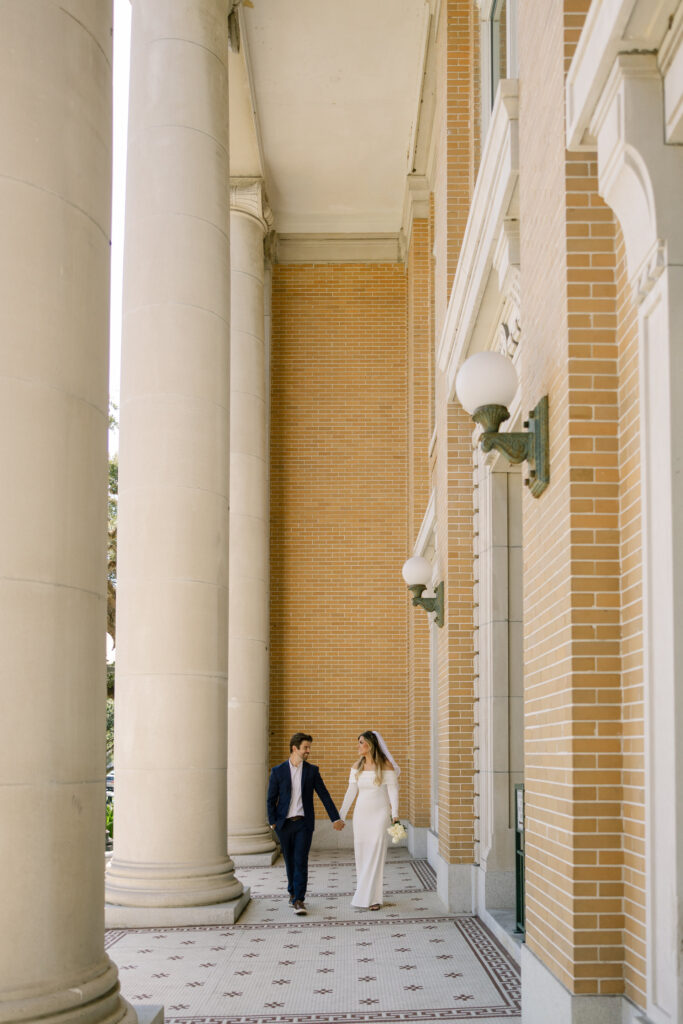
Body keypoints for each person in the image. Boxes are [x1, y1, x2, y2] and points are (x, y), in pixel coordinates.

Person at [267, 731, 345, 914]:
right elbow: (271, 799)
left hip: (303, 824)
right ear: (295, 748)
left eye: (309, 747)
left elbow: (324, 794)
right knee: (289, 861)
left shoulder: (311, 771)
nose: (308, 751)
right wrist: (273, 823)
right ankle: (292, 892)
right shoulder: (278, 771)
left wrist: (335, 818)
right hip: (284, 824)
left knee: (301, 860)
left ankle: (299, 899)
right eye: (305, 748)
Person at [339, 730, 400, 911]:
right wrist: (341, 815)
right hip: (361, 815)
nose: (358, 746)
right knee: (362, 853)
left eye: (361, 742)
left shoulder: (386, 765)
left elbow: (393, 791)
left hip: (380, 814)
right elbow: (350, 792)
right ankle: (368, 895)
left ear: (370, 745)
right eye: (358, 742)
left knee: (376, 853)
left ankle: (372, 898)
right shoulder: (357, 766)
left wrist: (395, 814)